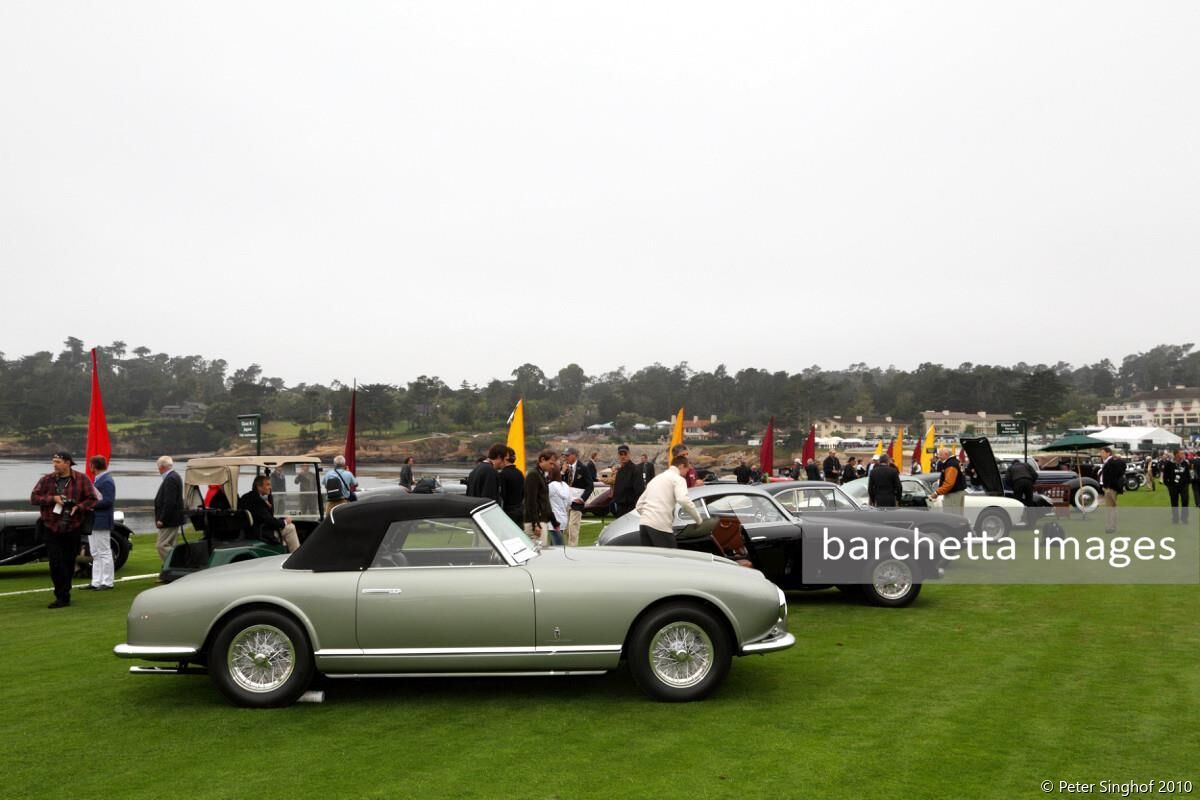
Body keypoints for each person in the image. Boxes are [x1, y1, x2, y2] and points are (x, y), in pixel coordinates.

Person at [30, 452, 97, 608]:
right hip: (50, 526)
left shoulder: (81, 479)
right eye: (53, 461)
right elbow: (34, 498)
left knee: (68, 562)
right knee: (55, 562)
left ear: (67, 463)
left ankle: (64, 593)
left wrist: (78, 507)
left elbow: (92, 499)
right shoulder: (46, 480)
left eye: (58, 462)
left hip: (72, 526)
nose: (54, 465)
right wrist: (52, 499)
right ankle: (61, 595)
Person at [635, 454, 702, 548]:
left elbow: (639, 505)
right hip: (660, 526)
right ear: (681, 466)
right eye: (687, 469)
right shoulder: (678, 479)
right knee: (671, 556)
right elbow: (683, 500)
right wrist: (698, 519)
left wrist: (649, 515)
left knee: (651, 557)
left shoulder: (656, 479)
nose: (687, 472)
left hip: (644, 525)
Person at [238, 475, 300, 552]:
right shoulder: (257, 501)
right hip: (260, 532)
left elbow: (265, 516)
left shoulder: (247, 497)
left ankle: (285, 553)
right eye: (267, 485)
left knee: (285, 533)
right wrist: (285, 522)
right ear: (259, 487)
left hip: (251, 530)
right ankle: (298, 554)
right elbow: (268, 520)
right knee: (291, 527)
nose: (270, 487)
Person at [87, 455, 116, 591]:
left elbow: (108, 501)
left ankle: (107, 581)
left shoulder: (107, 480)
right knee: (95, 552)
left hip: (102, 520)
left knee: (104, 552)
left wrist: (90, 504)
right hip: (94, 520)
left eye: (90, 464)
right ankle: (96, 581)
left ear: (94, 466)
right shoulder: (99, 479)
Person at [154, 455, 185, 562]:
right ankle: (172, 567)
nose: (158, 470)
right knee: (171, 544)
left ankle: (176, 564)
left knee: (161, 545)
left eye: (158, 467)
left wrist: (162, 519)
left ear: (162, 467)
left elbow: (169, 502)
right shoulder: (174, 476)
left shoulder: (170, 479)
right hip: (173, 519)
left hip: (169, 520)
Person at [561, 447, 593, 546]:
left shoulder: (583, 468)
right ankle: (566, 547)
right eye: (565, 456)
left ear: (574, 455)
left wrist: (582, 498)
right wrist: (562, 472)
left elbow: (590, 485)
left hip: (577, 502)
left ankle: (573, 548)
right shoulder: (564, 468)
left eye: (567, 455)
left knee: (573, 526)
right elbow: (558, 483)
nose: (566, 458)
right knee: (565, 528)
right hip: (566, 502)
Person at [523, 449, 556, 543]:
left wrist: (554, 521)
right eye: (551, 463)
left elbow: (544, 500)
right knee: (541, 550)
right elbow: (531, 501)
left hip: (540, 521)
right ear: (542, 460)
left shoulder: (540, 475)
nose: (552, 467)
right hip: (535, 522)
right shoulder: (533, 475)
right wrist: (535, 524)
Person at [1098, 446, 1126, 534]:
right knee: (1110, 508)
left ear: (1108, 453)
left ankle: (1111, 527)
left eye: (1102, 452)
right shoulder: (1107, 462)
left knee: (1111, 508)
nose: (1101, 454)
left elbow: (1122, 467)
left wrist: (1110, 484)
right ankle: (1111, 526)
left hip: (1111, 488)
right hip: (1108, 487)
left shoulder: (1113, 461)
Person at [611, 445, 645, 516]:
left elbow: (639, 491)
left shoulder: (635, 470)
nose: (623, 456)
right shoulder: (620, 471)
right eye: (621, 454)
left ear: (629, 454)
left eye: (625, 454)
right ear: (618, 455)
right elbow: (617, 488)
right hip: (620, 508)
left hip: (631, 508)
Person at [933, 447, 966, 515]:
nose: (939, 457)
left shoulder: (951, 464)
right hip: (958, 493)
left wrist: (937, 492)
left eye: (940, 455)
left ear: (946, 454)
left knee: (951, 515)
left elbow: (949, 483)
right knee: (958, 515)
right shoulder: (956, 462)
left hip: (953, 495)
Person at [1161, 449, 1190, 525]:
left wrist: (1187, 482)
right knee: (1174, 502)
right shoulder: (1169, 464)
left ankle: (1184, 519)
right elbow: (1165, 476)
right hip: (1173, 487)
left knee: (1185, 501)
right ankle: (1175, 518)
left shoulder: (1185, 463)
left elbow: (1188, 474)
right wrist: (1168, 485)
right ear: (1176, 454)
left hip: (1184, 486)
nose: (1183, 455)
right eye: (1181, 453)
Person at [499, 447, 525, 527]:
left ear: (505, 458)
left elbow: (502, 495)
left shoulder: (503, 474)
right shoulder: (520, 473)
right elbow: (523, 492)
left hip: (508, 512)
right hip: (520, 510)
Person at [1005, 458, 1038, 522]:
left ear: (1013, 463)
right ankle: (1032, 521)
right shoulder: (1026, 465)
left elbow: (1007, 479)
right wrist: (1032, 482)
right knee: (1030, 502)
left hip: (1017, 483)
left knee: (1017, 502)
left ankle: (1017, 519)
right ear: (1019, 462)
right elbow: (1035, 475)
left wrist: (1013, 486)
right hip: (1028, 482)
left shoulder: (1010, 468)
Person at [547, 464, 571, 546]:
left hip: (554, 519)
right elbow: (569, 502)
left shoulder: (551, 486)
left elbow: (543, 499)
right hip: (563, 518)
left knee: (558, 546)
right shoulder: (565, 485)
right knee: (554, 545)